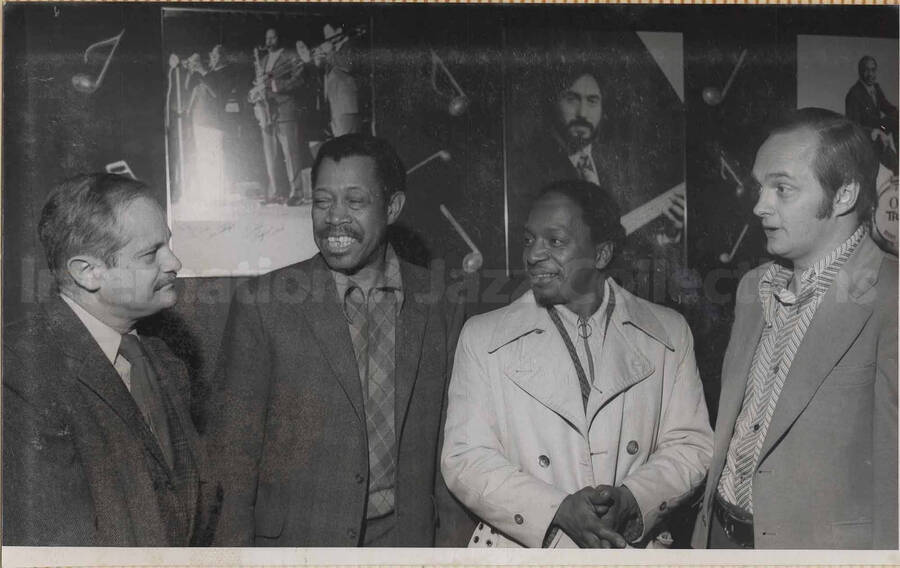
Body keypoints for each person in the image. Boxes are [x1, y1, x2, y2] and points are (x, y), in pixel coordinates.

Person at [208, 134, 470, 546]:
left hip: (407, 544)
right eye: (322, 201)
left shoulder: (441, 304)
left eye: (355, 201)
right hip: (299, 545)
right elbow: (231, 460)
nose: (334, 218)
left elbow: (452, 448)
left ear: (393, 207)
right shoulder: (263, 304)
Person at [441, 179, 713, 548]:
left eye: (554, 241)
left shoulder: (669, 331)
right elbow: (465, 458)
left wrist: (634, 498)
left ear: (601, 255)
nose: (534, 254)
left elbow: (690, 444)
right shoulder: (482, 337)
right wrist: (556, 509)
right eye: (528, 239)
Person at [692, 108, 898, 549]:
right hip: (719, 538)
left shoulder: (891, 296)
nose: (759, 205)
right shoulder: (753, 287)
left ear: (843, 196)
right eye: (760, 187)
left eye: (781, 189)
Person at [3, 173, 218, 545]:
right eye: (151, 254)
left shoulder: (165, 359)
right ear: (88, 273)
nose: (175, 262)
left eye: (168, 245)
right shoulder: (21, 372)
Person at [251, 28, 312, 206]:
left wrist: (277, 86)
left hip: (285, 109)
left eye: (273, 37)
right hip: (267, 111)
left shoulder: (290, 56)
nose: (269, 40)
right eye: (267, 37)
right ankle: (276, 192)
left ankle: (297, 193)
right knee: (270, 155)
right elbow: (260, 83)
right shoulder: (261, 60)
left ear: (279, 38)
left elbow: (300, 79)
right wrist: (254, 94)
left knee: (290, 153)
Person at [845, 56, 898, 173]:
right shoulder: (854, 94)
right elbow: (853, 127)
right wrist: (875, 132)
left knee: (897, 117)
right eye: (866, 70)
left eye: (873, 70)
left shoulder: (876, 88)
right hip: (868, 137)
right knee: (896, 166)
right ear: (860, 71)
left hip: (881, 129)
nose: (870, 74)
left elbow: (888, 108)